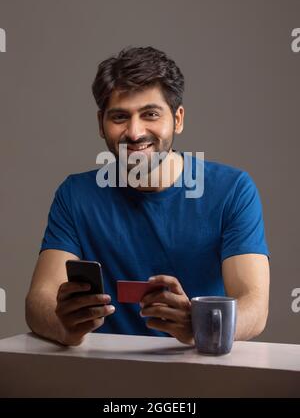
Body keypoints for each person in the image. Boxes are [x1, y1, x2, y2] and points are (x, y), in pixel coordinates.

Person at [25, 46, 270, 347]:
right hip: (101, 374)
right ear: (101, 124)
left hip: (199, 370)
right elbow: (39, 301)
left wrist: (199, 325)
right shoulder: (76, 195)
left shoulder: (232, 190)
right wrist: (65, 327)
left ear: (177, 119)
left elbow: (255, 307)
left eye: (150, 114)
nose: (135, 131)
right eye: (119, 117)